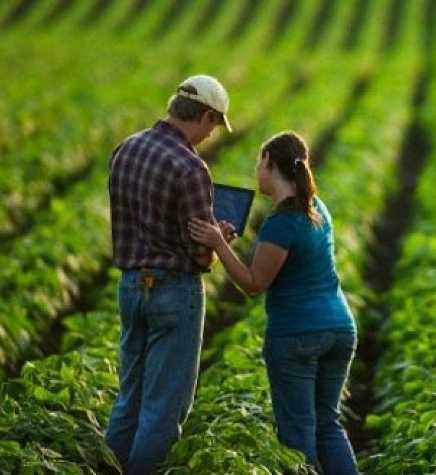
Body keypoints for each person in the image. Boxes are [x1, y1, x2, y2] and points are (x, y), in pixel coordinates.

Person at [187, 131, 359, 474]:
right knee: (328, 424)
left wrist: (219, 245)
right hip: (340, 328)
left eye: (258, 161)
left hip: (297, 336)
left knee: (297, 433)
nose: (256, 169)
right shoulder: (317, 209)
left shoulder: (282, 224)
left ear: (268, 163)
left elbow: (253, 284)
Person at [105, 74, 234, 474]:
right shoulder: (191, 169)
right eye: (215, 124)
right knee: (164, 409)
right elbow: (199, 256)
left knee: (130, 398)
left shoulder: (126, 149)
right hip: (173, 291)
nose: (213, 134)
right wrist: (219, 242)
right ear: (207, 115)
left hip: (130, 284)